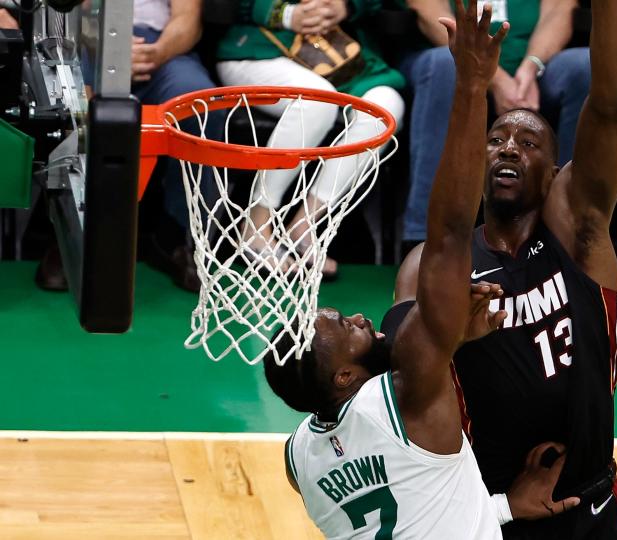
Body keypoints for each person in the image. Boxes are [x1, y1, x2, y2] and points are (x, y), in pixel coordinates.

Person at [265, 4, 578, 536]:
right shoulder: (403, 397)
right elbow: (452, 231)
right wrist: (470, 87)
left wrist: (499, 509)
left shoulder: (298, 460)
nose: (358, 317)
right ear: (344, 377)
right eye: (342, 327)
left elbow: (406, 510)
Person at [393, 0, 617, 536]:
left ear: (554, 173)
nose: (508, 148)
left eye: (528, 143)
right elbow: (405, 389)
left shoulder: (579, 233)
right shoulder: (427, 268)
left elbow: (611, 105)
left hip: (590, 504)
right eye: (496, 139)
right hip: (485, 510)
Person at [217, 0, 406, 278]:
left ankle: (303, 227)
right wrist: (285, 13)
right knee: (316, 101)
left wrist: (347, 6)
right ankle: (256, 226)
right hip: (260, 49)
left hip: (336, 53)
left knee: (386, 107)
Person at [392, 0, 591, 255]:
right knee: (443, 66)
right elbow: (432, 16)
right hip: (451, 58)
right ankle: (427, 239)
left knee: (584, 66)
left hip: (534, 68)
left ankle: (568, 234)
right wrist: (493, 77)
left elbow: (558, 13)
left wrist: (531, 67)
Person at [133, 0, 225, 292]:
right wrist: (104, 52)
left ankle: (183, 238)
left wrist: (156, 53)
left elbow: (188, 17)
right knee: (72, 103)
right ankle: (70, 237)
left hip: (160, 47)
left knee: (200, 104)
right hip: (79, 46)